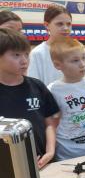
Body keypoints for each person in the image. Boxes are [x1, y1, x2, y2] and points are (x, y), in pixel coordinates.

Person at [0, 28, 59, 168]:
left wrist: (50, 152)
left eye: (26, 54)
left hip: (42, 162)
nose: (24, 60)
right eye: (16, 55)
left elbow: (50, 123)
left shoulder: (37, 86)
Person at [48, 37, 85, 161]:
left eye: (84, 57)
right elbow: (52, 124)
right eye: (75, 60)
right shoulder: (53, 90)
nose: (83, 64)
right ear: (58, 65)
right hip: (67, 155)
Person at [28, 5, 73, 85]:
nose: (66, 28)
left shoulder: (78, 49)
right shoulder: (37, 54)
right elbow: (34, 87)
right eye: (60, 24)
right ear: (47, 25)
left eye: (68, 24)